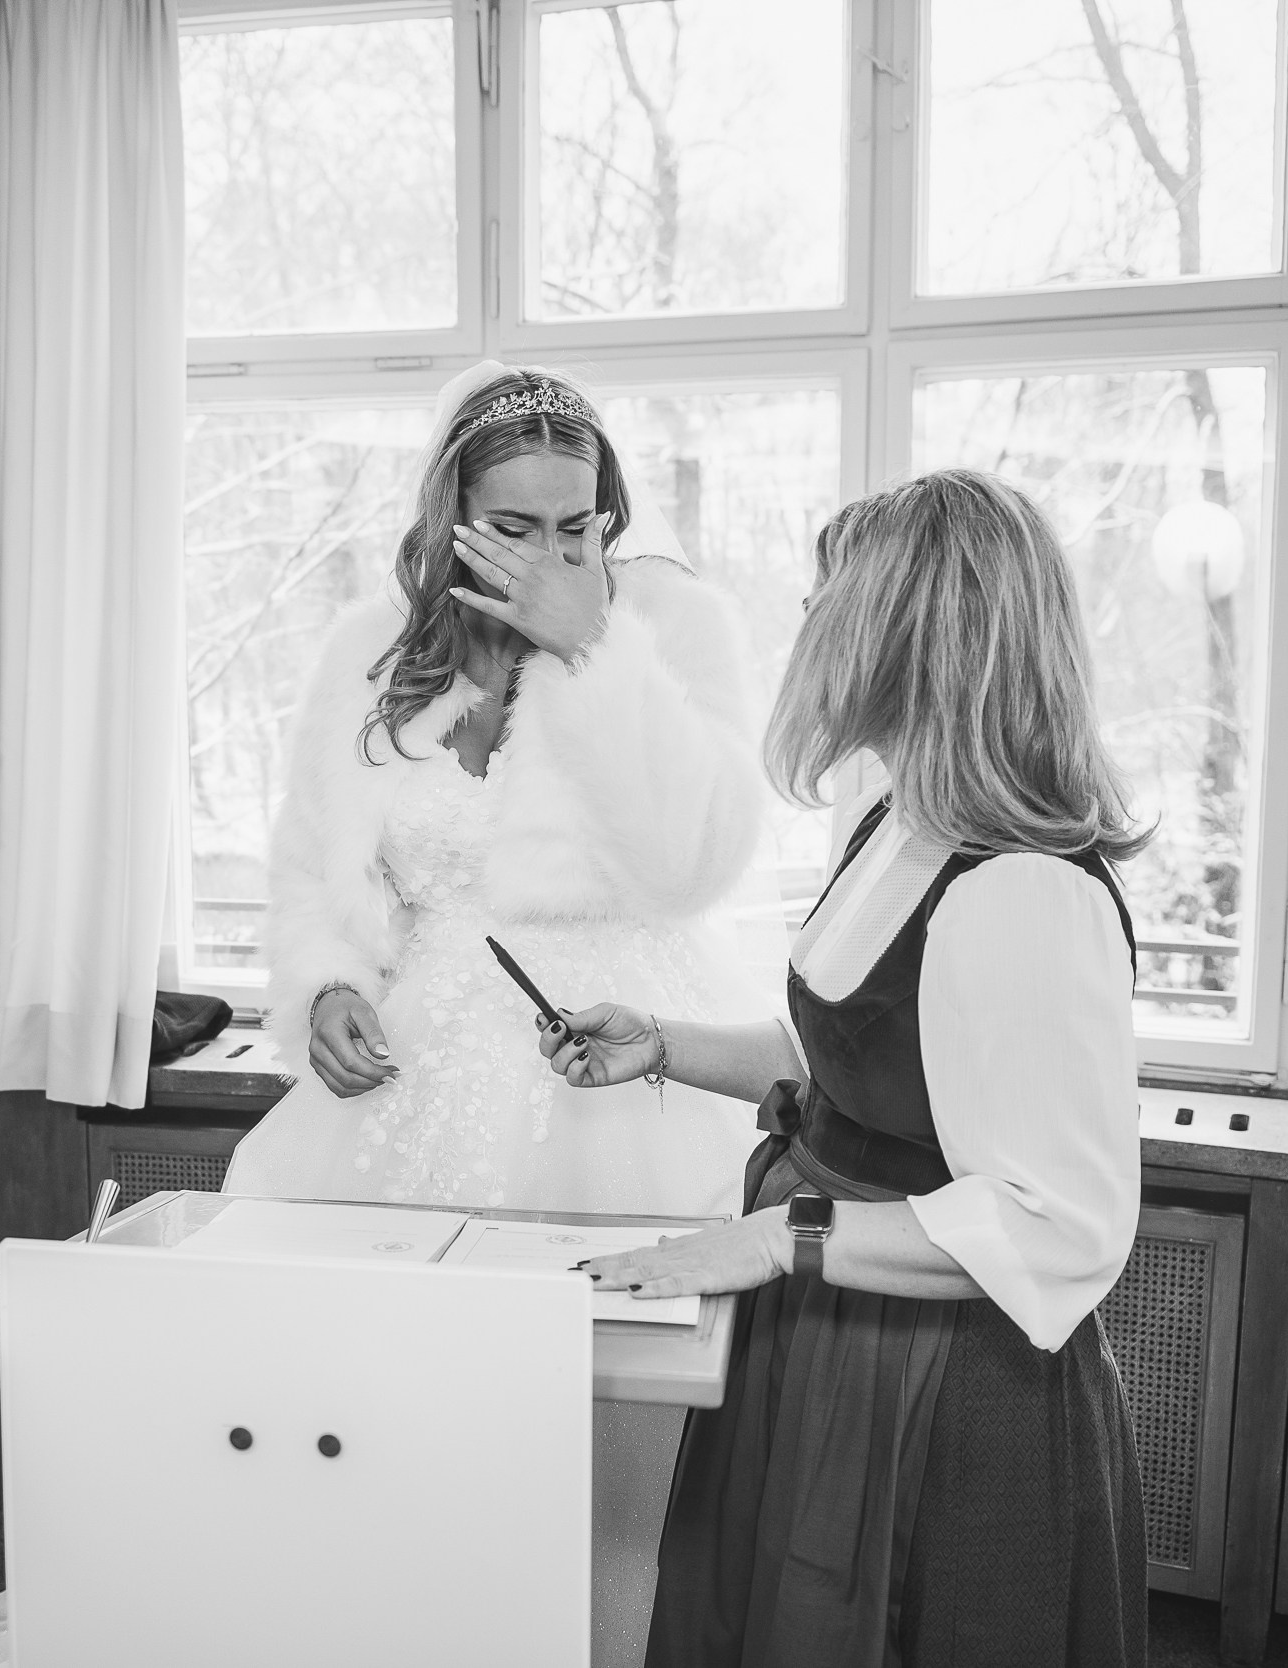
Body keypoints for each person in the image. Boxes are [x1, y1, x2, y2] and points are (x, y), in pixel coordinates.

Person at [540, 469, 1152, 1668]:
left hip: (936, 1389)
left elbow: (1059, 1221)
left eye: (827, 599)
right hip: (832, 1334)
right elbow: (862, 1067)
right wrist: (666, 1044)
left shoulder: (1022, 890)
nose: (806, 625)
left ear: (904, 629)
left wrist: (783, 1236)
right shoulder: (899, 822)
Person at [223, 361, 771, 1667]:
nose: (548, 552)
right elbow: (315, 871)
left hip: (625, 1061)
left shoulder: (671, 627)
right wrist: (329, 986)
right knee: (397, 1447)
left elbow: (693, 863)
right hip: (415, 1075)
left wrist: (594, 650)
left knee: (614, 1481)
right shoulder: (373, 643)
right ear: (448, 515)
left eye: (577, 527)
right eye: (513, 527)